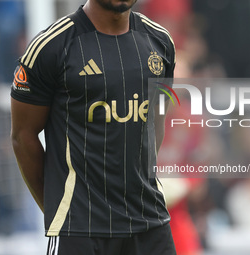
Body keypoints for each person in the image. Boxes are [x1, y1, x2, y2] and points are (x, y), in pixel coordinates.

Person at [10, 0, 176, 254]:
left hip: (150, 223)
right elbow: (23, 137)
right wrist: (60, 209)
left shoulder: (160, 42)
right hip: (80, 230)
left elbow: (154, 123)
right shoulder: (51, 47)